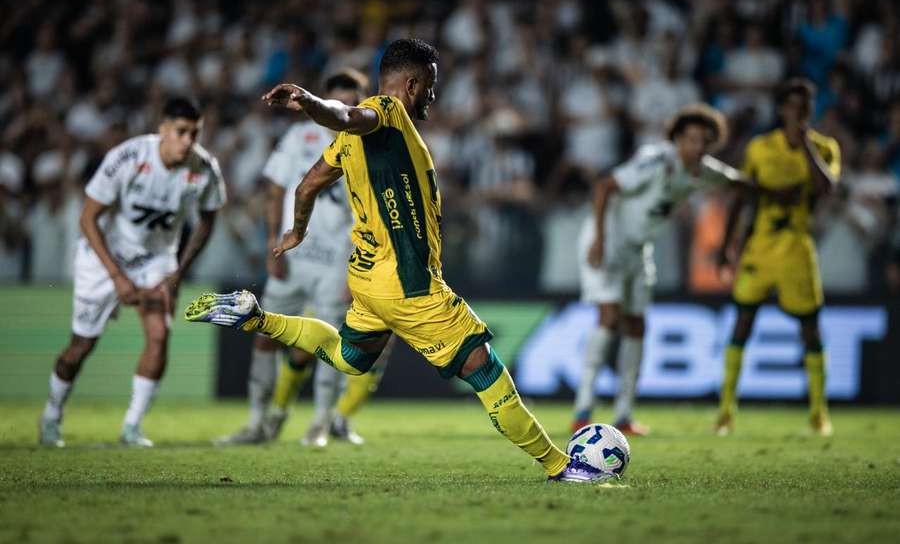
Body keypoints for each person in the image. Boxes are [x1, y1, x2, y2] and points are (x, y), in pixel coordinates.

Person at [186, 38, 606, 482]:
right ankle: (563, 466)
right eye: (431, 84)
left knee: (350, 358)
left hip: (368, 279)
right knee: (482, 365)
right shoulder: (386, 113)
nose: (433, 94)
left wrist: (298, 230)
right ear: (412, 83)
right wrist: (310, 101)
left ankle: (257, 318)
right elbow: (346, 114)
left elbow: (307, 184)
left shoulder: (350, 144)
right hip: (408, 282)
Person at [215, 68, 390, 447]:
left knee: (331, 343)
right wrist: (271, 244)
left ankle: (320, 425)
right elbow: (276, 190)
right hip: (293, 255)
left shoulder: (370, 143)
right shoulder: (298, 137)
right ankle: (259, 422)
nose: (341, 108)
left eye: (349, 102)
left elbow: (376, 215)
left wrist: (358, 270)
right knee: (264, 335)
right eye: (336, 101)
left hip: (337, 261)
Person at [39, 98, 225, 447]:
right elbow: (87, 218)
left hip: (157, 260)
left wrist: (179, 271)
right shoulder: (127, 158)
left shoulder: (204, 169)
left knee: (159, 335)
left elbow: (208, 219)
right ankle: (52, 414)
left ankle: (132, 427)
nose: (188, 141)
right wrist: (117, 277)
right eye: (182, 132)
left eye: (195, 133)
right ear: (163, 130)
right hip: (105, 258)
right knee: (81, 346)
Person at [572, 104, 744, 436]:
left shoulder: (705, 169)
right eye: (690, 139)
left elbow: (741, 185)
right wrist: (599, 241)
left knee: (636, 325)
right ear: (677, 139)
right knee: (609, 316)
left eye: (703, 141)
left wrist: (726, 245)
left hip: (639, 250)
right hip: (608, 239)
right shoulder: (656, 159)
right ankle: (582, 409)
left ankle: (623, 414)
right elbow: (605, 186)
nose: (696, 147)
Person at [715, 78, 841, 436]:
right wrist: (727, 245)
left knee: (810, 328)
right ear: (782, 108)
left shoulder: (823, 147)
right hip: (760, 247)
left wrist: (804, 145)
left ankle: (819, 413)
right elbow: (741, 196)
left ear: (809, 111)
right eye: (791, 106)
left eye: (804, 107)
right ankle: (726, 411)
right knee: (742, 323)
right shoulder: (760, 148)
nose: (797, 112)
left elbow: (826, 188)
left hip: (797, 247)